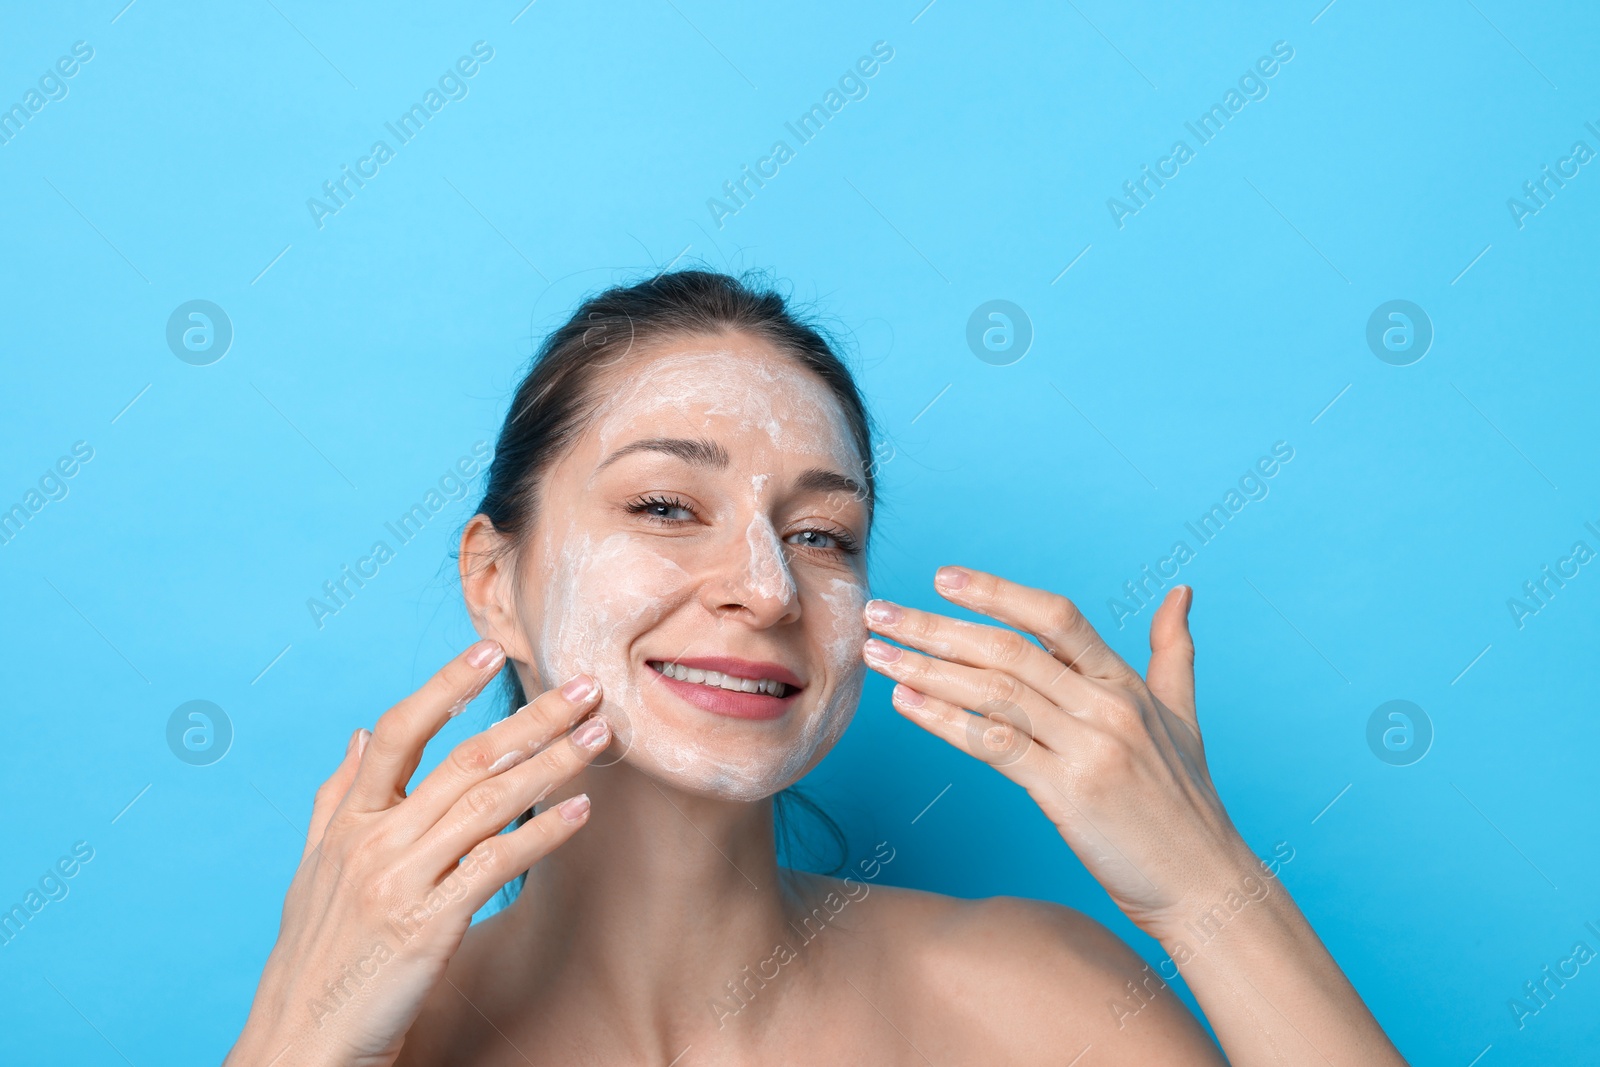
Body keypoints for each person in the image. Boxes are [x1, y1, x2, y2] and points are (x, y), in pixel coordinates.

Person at [226, 271, 1404, 1065]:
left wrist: (1206, 888)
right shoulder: (377, 1042)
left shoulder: (1031, 1004)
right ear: (495, 582)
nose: (768, 586)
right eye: (664, 503)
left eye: (821, 534)